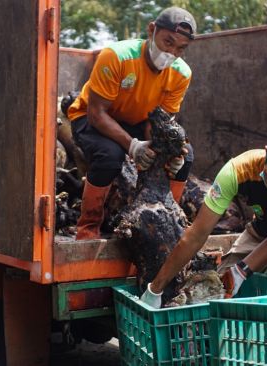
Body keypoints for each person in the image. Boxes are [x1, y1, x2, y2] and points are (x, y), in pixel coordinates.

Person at [140, 131, 267, 308]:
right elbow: (197, 234)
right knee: (219, 286)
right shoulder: (237, 171)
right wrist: (155, 288)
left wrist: (243, 270)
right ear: (266, 153)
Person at [67, 7, 197, 240]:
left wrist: (165, 153)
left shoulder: (181, 74)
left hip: (136, 122)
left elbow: (158, 124)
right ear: (151, 30)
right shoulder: (117, 56)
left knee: (185, 156)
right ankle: (87, 228)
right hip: (91, 117)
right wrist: (133, 146)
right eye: (168, 42)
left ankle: (169, 224)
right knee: (110, 156)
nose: (171, 52)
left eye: (180, 48)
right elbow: (96, 114)